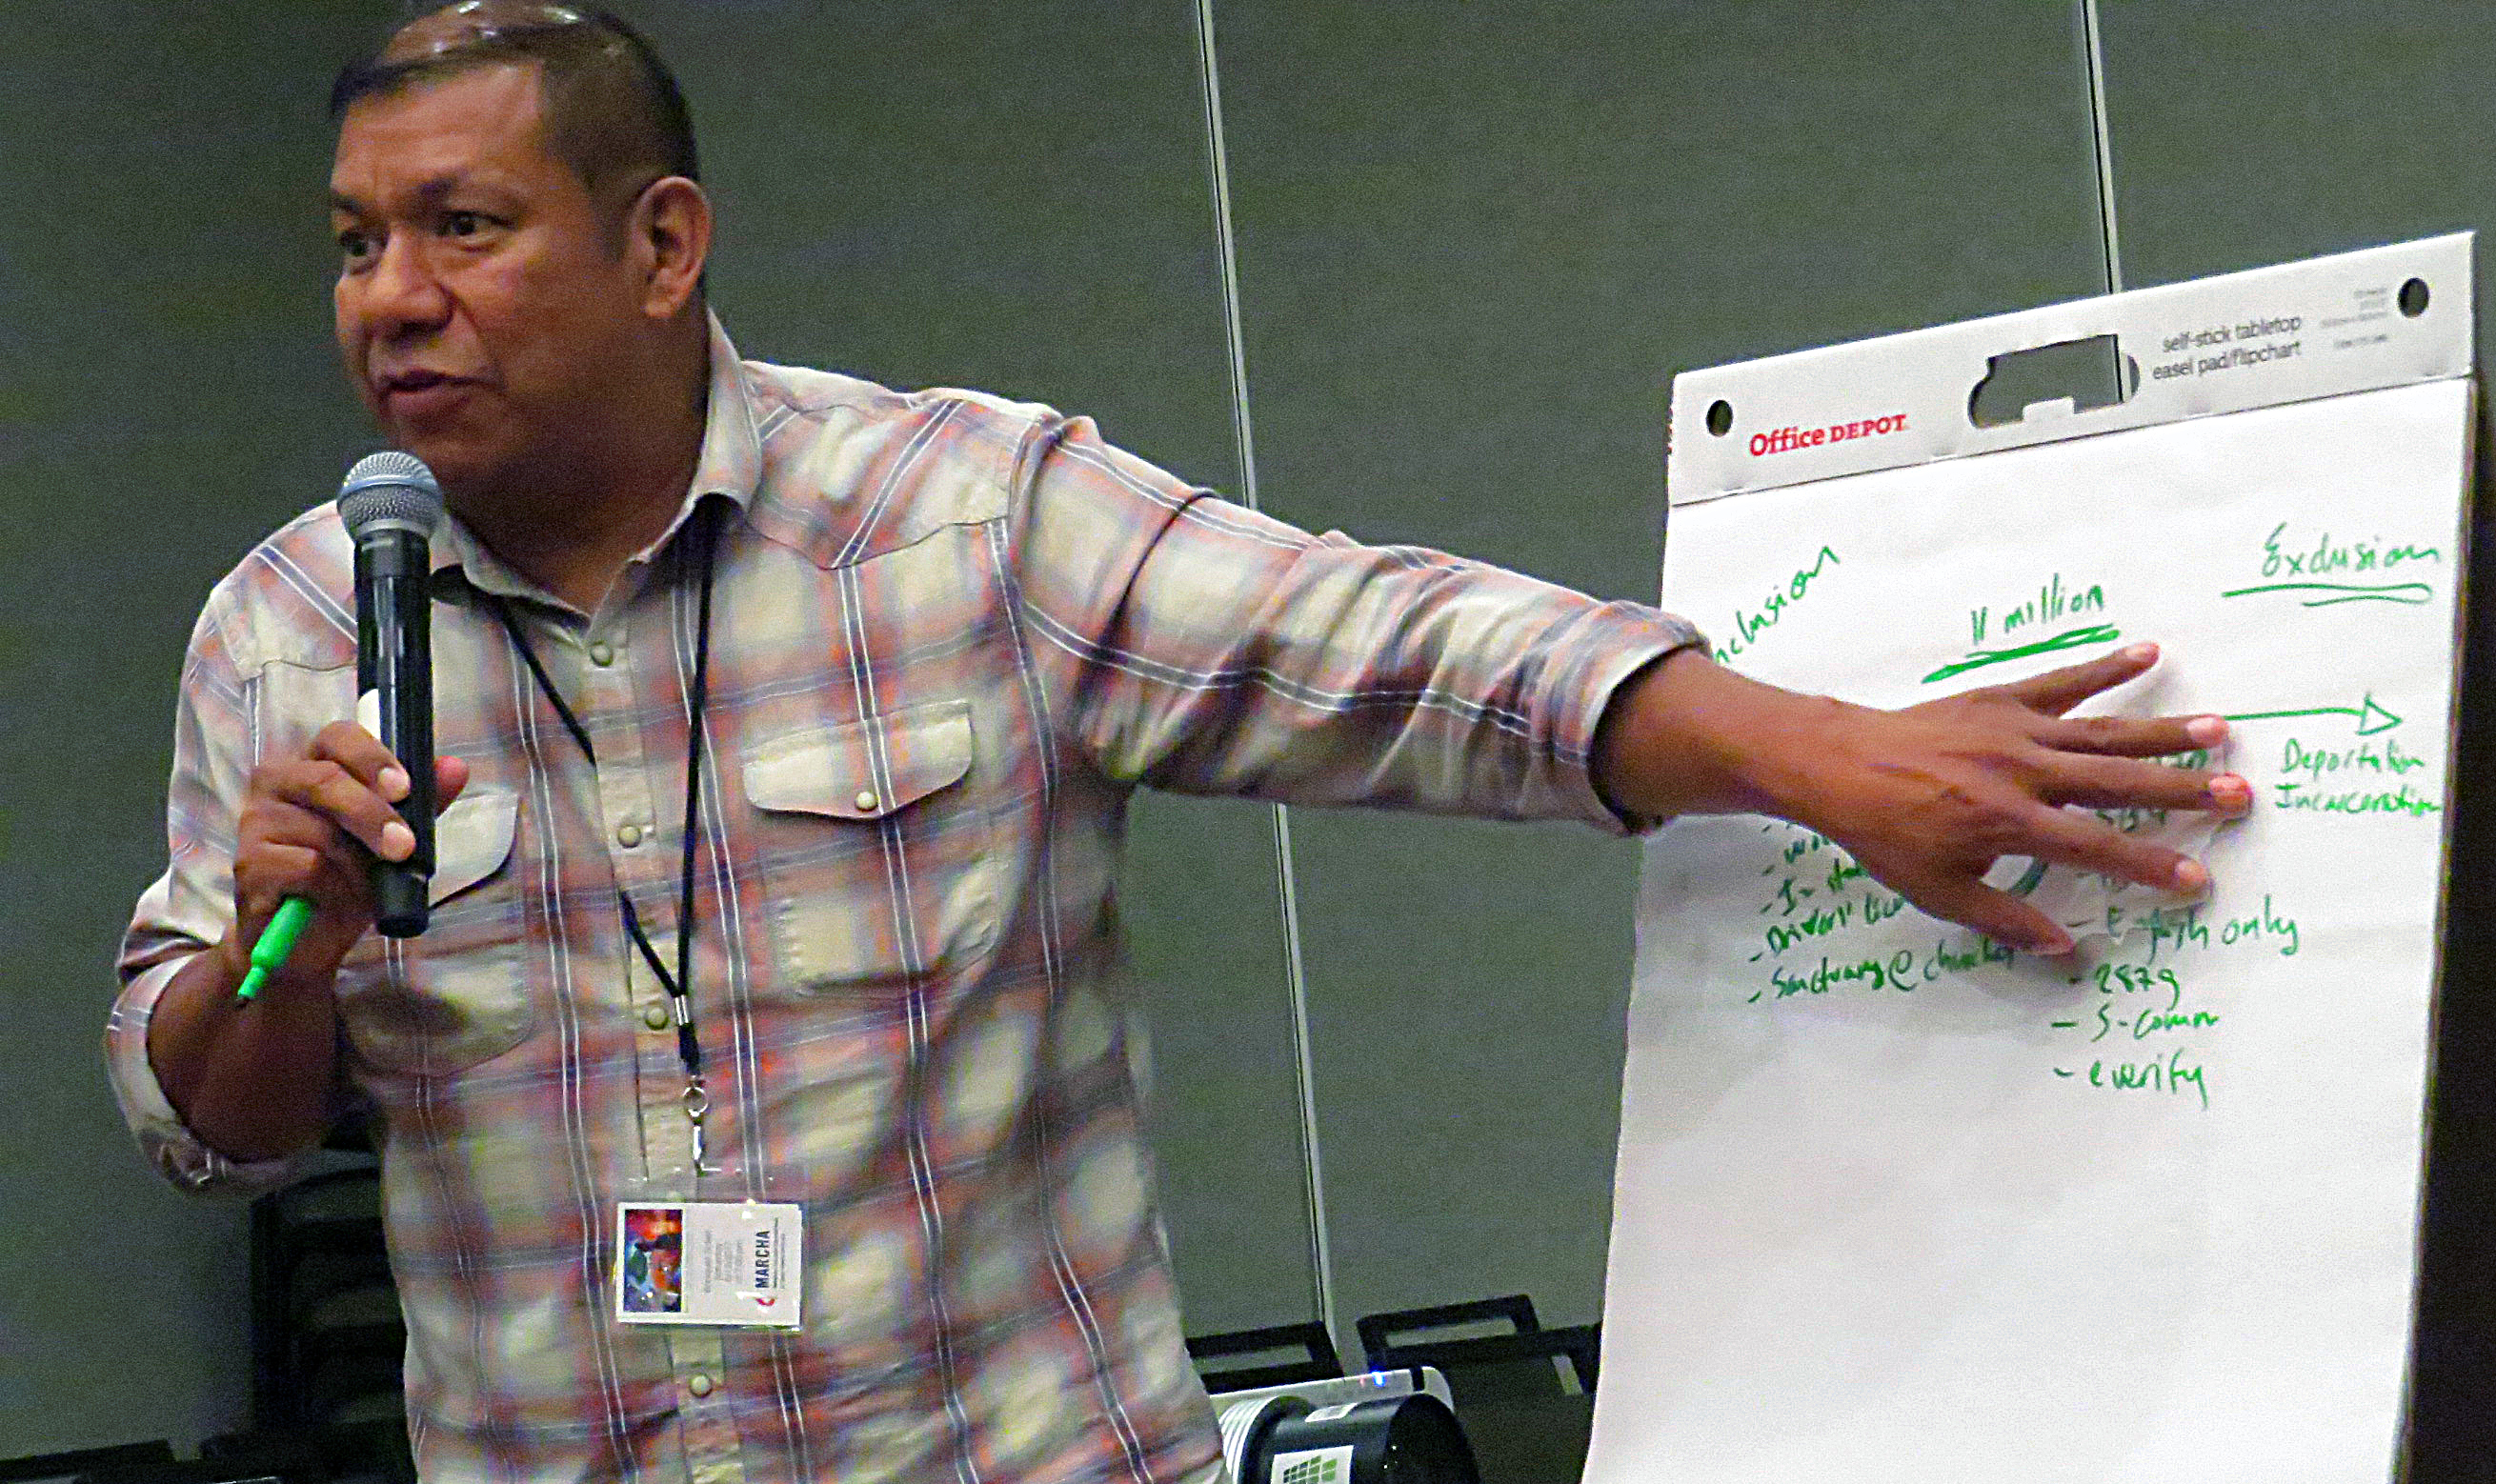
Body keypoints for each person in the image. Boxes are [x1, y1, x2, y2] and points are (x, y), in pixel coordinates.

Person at [106, 6, 2252, 1483]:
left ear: (660, 244)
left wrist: (1819, 755)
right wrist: (285, 944)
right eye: (354, 243)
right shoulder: (292, 633)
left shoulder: (963, 521)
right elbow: (207, 1118)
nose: (390, 296)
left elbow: (1396, 650)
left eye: (463, 227)